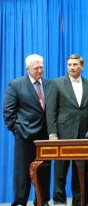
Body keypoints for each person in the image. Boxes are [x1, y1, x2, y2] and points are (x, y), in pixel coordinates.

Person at [46, 54, 88, 205]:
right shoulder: (56, 83)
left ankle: (79, 201)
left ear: (82, 66)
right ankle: (59, 201)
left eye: (75, 64)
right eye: (69, 64)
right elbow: (51, 111)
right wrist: (52, 133)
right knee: (60, 171)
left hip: (84, 134)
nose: (72, 67)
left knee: (81, 171)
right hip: (63, 134)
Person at [3, 54, 51, 206]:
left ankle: (42, 201)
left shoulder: (49, 84)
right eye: (36, 68)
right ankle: (20, 201)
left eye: (42, 67)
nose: (40, 70)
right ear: (28, 69)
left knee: (44, 170)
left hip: (45, 137)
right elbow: (8, 114)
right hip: (25, 136)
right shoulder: (16, 85)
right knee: (22, 172)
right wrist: (18, 130)